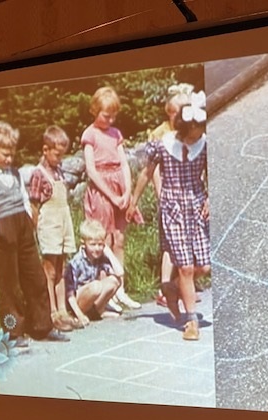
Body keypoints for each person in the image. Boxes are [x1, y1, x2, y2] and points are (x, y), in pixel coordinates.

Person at [128, 91, 210, 341]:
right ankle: (191, 321)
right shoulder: (163, 145)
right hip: (173, 209)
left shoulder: (205, 144)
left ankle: (171, 287)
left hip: (196, 206)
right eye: (195, 130)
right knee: (185, 266)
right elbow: (146, 173)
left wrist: (210, 198)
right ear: (184, 128)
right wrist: (133, 202)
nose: (198, 134)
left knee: (204, 266)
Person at [0, 121, 69, 346]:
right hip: (2, 233)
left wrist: (27, 215)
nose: (9, 159)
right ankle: (13, 332)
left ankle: (42, 326)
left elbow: (24, 197)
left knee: (35, 278)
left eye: (12, 154)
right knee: (9, 285)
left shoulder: (14, 173)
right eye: (5, 154)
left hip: (23, 227)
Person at [81, 86, 141, 311]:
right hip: (102, 191)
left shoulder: (116, 134)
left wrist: (126, 192)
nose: (110, 120)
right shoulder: (90, 134)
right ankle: (107, 292)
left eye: (113, 116)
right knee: (103, 242)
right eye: (106, 115)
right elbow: (91, 171)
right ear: (95, 111)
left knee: (119, 239)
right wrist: (113, 196)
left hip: (119, 187)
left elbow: (124, 163)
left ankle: (120, 289)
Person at [29, 125, 79, 332]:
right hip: (49, 224)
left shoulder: (58, 172)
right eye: (57, 155)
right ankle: (52, 312)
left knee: (61, 267)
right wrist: (35, 229)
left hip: (63, 222)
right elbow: (34, 205)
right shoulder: (39, 174)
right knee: (49, 270)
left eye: (62, 155)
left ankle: (63, 309)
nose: (60, 159)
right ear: (45, 150)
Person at [148, 84, 194, 308]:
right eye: (177, 112)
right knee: (169, 244)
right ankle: (165, 288)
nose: (180, 115)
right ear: (169, 111)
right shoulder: (160, 134)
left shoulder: (187, 132)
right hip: (168, 195)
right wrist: (160, 195)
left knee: (186, 241)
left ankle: (184, 286)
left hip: (186, 195)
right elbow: (154, 169)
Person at [64, 219, 123, 326]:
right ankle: (80, 314)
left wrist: (108, 251)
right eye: (93, 244)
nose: (97, 248)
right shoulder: (77, 262)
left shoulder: (100, 257)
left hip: (92, 296)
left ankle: (98, 311)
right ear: (84, 244)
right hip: (77, 301)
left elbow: (120, 273)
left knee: (114, 281)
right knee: (96, 286)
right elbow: (69, 293)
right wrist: (79, 315)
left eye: (100, 244)